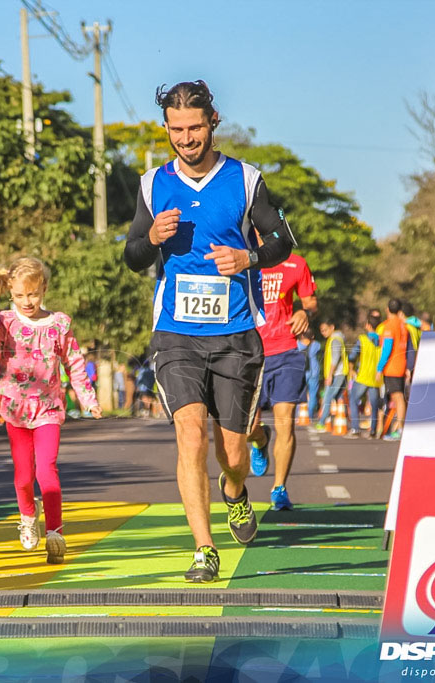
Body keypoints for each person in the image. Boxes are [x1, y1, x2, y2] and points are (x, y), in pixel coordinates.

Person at [123, 80, 293, 583]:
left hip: (237, 331)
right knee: (189, 434)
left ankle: (236, 492)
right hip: (175, 332)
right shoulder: (153, 183)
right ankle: (203, 550)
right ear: (167, 129)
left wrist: (250, 257)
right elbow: (133, 256)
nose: (187, 138)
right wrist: (151, 238)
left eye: (195, 127)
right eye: (177, 129)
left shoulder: (245, 180)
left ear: (212, 121)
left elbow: (284, 240)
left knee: (232, 452)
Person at [0, 257, 101, 564]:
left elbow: (74, 363)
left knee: (47, 470)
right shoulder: (3, 321)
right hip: (15, 409)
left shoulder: (59, 323)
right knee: (23, 476)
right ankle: (28, 516)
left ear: (43, 288)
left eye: (32, 294)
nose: (27, 301)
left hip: (48, 408)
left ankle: (55, 532)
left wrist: (88, 399)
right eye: (20, 296)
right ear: (10, 293)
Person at [245, 251, 317, 511]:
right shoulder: (239, 255)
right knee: (247, 426)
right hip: (249, 353)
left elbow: (310, 301)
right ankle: (261, 439)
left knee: (286, 424)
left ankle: (279, 489)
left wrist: (302, 312)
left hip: (286, 352)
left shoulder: (295, 263)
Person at [346, 311, 382, 439]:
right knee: (374, 405)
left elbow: (353, 356)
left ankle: (355, 428)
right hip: (377, 378)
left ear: (367, 325)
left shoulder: (362, 340)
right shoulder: (382, 340)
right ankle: (373, 431)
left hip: (363, 376)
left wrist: (351, 369)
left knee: (353, 400)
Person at [378, 299, 409, 440]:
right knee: (399, 397)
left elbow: (387, 348)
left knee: (398, 397)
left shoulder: (390, 325)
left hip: (392, 366)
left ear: (387, 309)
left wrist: (379, 368)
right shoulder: (403, 325)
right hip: (402, 364)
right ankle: (399, 427)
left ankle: (400, 428)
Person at [315, 320, 349, 431]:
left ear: (332, 327)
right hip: (339, 373)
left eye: (325, 330)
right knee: (338, 397)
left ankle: (322, 422)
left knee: (328, 397)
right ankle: (345, 421)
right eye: (322, 331)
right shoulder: (333, 339)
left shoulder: (335, 340)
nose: (323, 333)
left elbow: (335, 358)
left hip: (337, 374)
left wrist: (330, 375)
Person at [299, 329, 321, 421]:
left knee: (299, 393)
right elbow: (319, 347)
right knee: (312, 394)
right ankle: (310, 414)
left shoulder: (298, 344)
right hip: (314, 372)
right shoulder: (316, 345)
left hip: (302, 372)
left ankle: (299, 414)